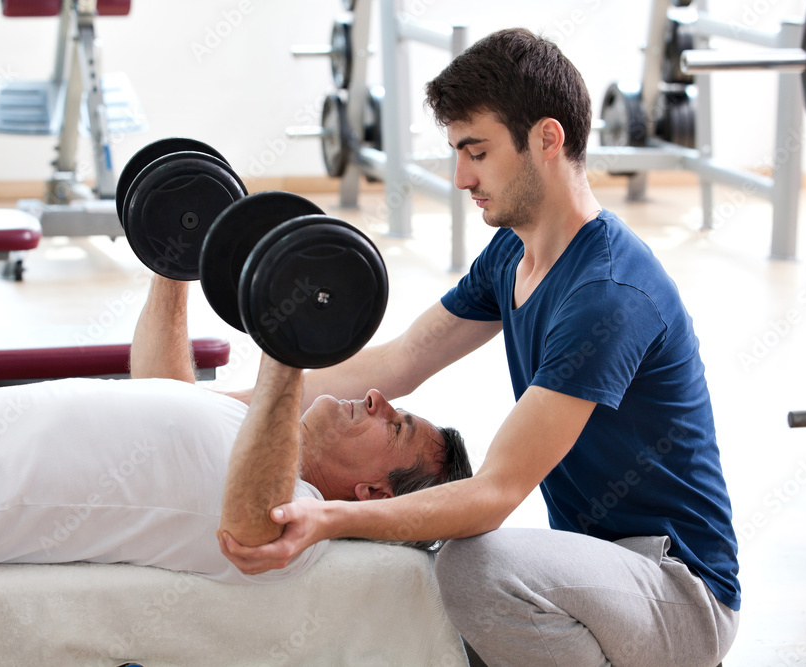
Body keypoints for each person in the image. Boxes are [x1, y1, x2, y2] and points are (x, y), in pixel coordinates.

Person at [217, 28, 740, 667]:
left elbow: (495, 493)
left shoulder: (607, 293)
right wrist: (228, 405)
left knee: (476, 569)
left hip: (680, 592)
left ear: (547, 139)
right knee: (454, 589)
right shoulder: (513, 254)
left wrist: (330, 518)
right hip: (605, 568)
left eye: (478, 152)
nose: (462, 176)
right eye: (457, 153)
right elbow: (399, 361)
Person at [0, 276, 471, 597]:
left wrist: (290, 347)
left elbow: (252, 526)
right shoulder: (257, 442)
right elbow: (165, 388)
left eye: (395, 425)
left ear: (372, 494)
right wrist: (172, 264)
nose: (378, 399)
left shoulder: (290, 525)